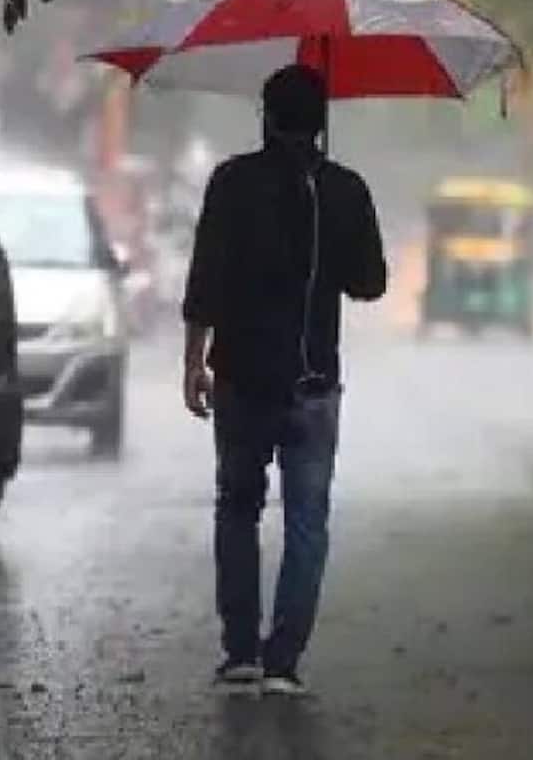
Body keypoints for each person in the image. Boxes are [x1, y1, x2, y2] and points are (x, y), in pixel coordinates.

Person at [181, 63, 387, 696]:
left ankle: (240, 652)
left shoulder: (231, 183)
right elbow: (370, 284)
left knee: (237, 509)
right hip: (313, 384)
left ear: (266, 117)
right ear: (321, 123)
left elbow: (205, 278)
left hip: (241, 378)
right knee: (306, 522)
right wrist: (335, 231)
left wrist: (193, 362)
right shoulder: (345, 189)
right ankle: (283, 662)